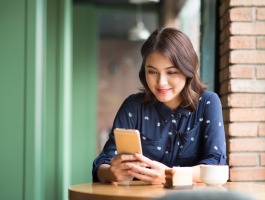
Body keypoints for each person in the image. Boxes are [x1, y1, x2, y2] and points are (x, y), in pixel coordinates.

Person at [92, 27, 226, 184]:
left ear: (187, 70)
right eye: (152, 72)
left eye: (171, 72)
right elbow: (104, 162)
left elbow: (216, 163)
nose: (161, 82)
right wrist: (110, 173)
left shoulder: (208, 102)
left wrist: (170, 175)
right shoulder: (133, 106)